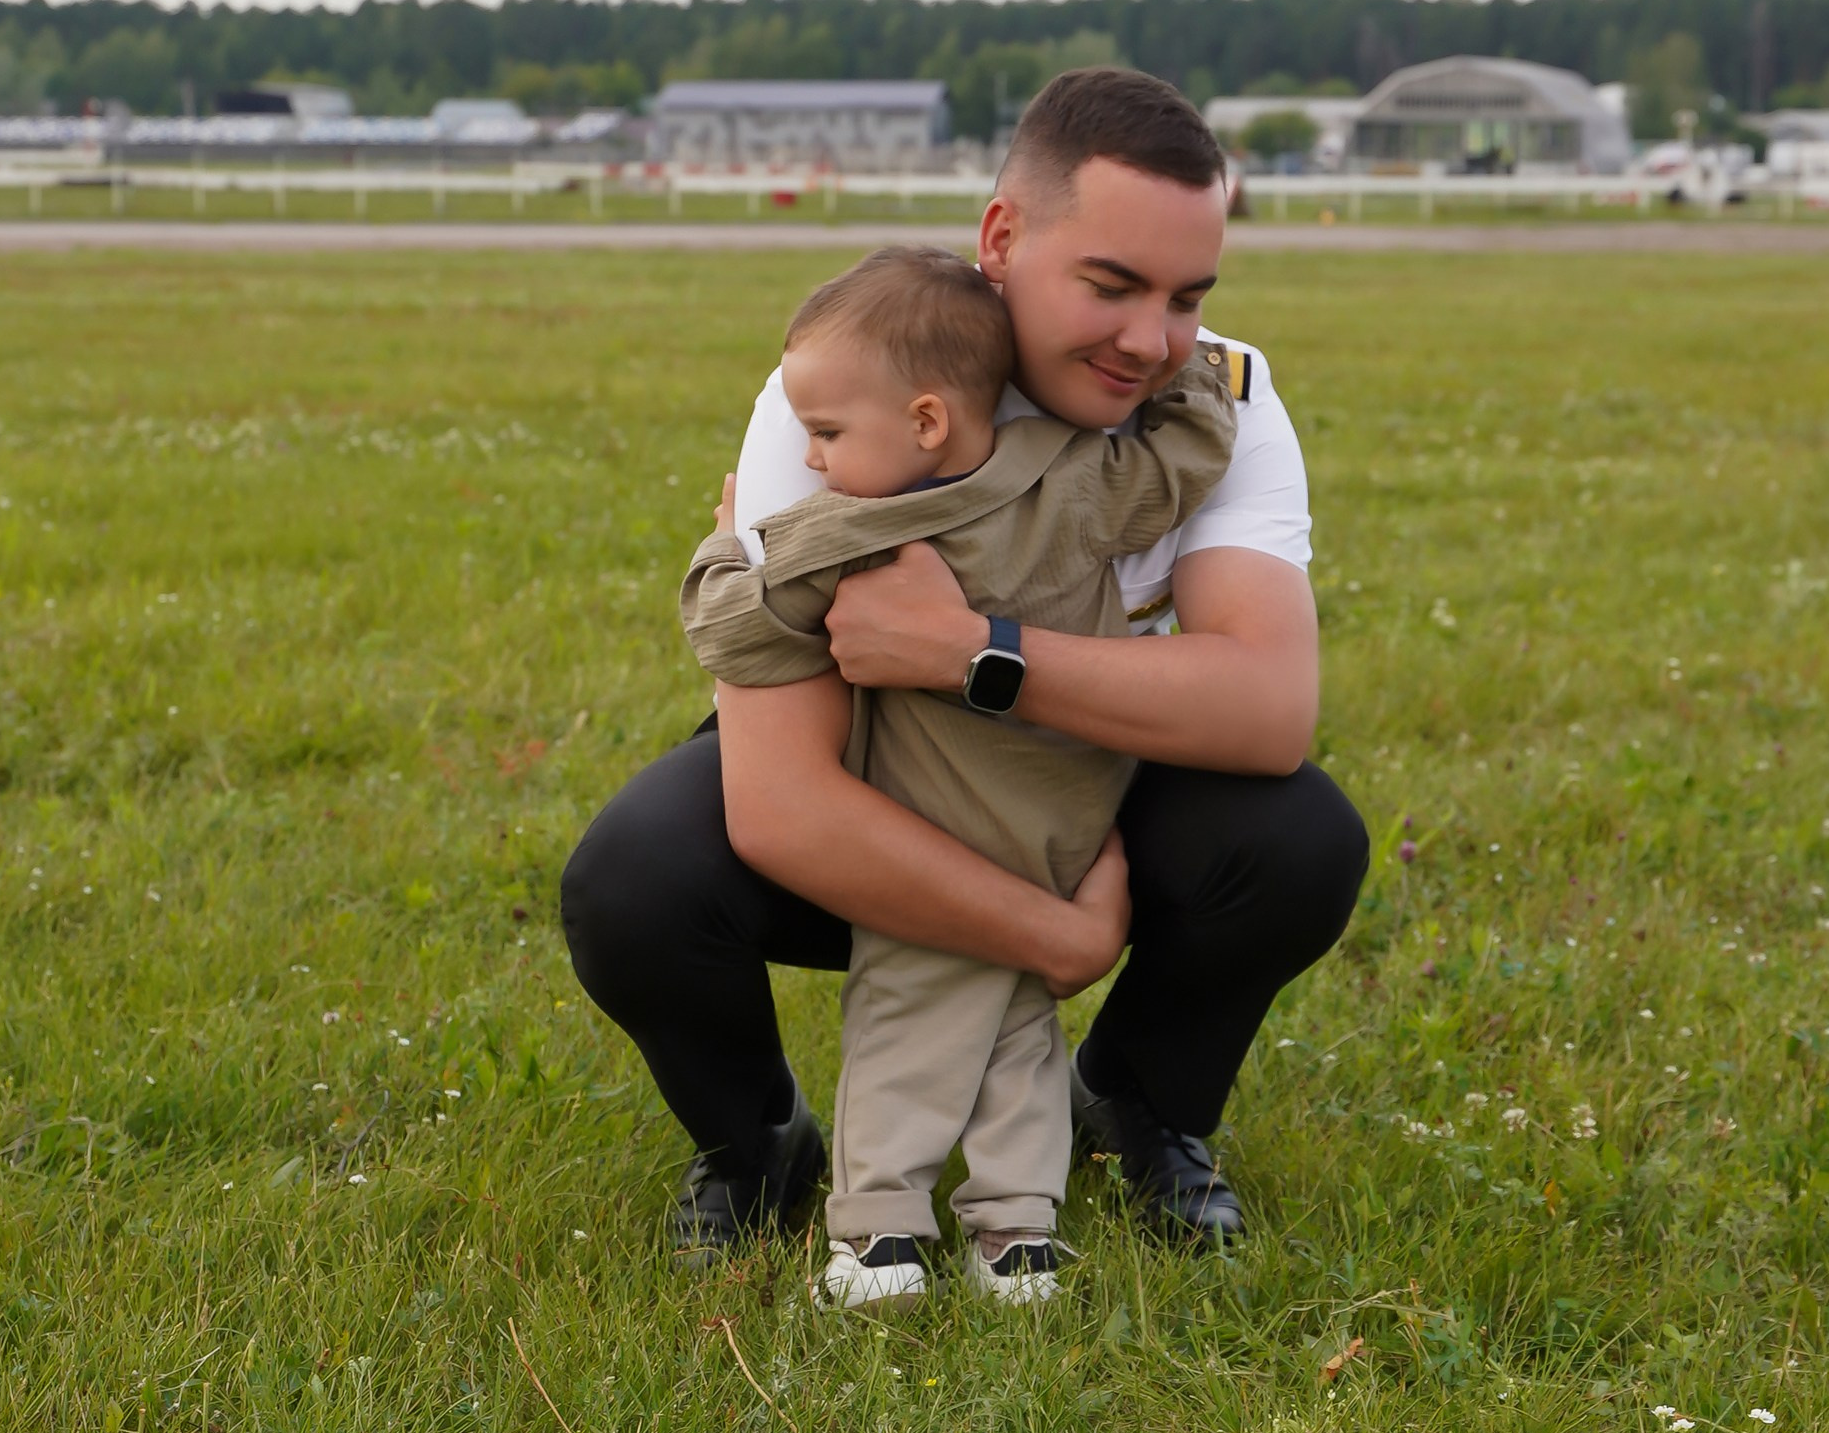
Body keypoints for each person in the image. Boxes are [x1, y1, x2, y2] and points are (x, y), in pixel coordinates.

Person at [561, 65, 1369, 1252]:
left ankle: (1137, 1101)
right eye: (1110, 283)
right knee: (636, 878)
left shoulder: (1219, 403)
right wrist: (1056, 939)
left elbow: (1266, 709)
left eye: (1187, 295)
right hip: (885, 778)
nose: (1151, 339)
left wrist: (970, 652)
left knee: (1296, 840)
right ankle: (755, 1143)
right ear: (1002, 237)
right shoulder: (843, 392)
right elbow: (783, 803)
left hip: (1087, 792)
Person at [682, 244, 1238, 1308]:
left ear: (926, 422)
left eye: (830, 433)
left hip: (931, 832)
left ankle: (879, 1230)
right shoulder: (1074, 481)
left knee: (907, 1020)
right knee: (1018, 1026)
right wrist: (1193, 368)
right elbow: (1183, 462)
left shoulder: (852, 528)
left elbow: (732, 634)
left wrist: (723, 546)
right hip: (1063, 829)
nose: (812, 453)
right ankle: (1016, 1235)